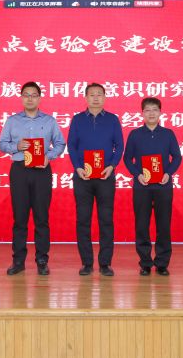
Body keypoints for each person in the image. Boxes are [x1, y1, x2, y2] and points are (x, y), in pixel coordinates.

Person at [0, 81, 66, 276]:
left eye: (34, 95)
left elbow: (60, 144)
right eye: (26, 95)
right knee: (20, 218)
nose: (30, 98)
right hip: (19, 170)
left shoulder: (50, 121)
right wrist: (16, 147)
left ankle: (42, 260)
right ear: (21, 98)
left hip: (41, 171)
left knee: (41, 218)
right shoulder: (12, 121)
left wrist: (48, 156)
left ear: (39, 98)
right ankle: (18, 260)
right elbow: (2, 144)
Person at [67, 83, 124, 276]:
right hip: (82, 176)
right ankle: (87, 263)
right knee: (83, 220)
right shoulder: (77, 120)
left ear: (105, 97)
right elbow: (72, 145)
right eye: (92, 95)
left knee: (106, 220)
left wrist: (112, 166)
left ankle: (105, 263)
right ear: (86, 98)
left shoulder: (113, 120)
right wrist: (78, 167)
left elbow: (119, 146)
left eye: (99, 94)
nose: (96, 98)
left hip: (105, 176)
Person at [123, 97, 182, 276]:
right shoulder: (135, 134)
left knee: (163, 225)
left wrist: (168, 173)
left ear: (160, 113)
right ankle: (145, 263)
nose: (151, 113)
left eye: (155, 110)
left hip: (163, 186)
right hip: (142, 186)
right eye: (147, 110)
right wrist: (137, 175)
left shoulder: (168, 134)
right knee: (142, 224)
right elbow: (127, 158)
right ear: (142, 113)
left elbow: (177, 157)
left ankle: (162, 263)